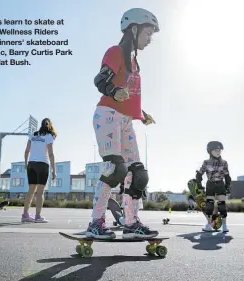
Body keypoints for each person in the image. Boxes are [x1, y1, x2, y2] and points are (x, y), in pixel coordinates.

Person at [85, 8, 160, 239]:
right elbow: (101, 80)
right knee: (115, 169)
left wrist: (141, 113)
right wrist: (113, 91)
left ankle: (131, 223)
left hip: (126, 120)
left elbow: (129, 95)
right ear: (134, 29)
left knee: (138, 175)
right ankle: (96, 223)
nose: (150, 39)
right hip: (107, 115)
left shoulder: (134, 62)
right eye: (148, 33)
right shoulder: (116, 52)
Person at [21, 118, 57, 223]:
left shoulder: (33, 135)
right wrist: (54, 169)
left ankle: (25, 215)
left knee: (31, 190)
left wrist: (25, 163)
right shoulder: (49, 136)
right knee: (40, 192)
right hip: (42, 164)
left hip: (31, 164)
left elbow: (27, 151)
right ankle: (37, 216)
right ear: (49, 126)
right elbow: (50, 153)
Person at [195, 141, 231, 233]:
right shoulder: (206, 162)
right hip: (210, 184)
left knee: (222, 205)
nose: (218, 152)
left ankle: (225, 226)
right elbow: (199, 174)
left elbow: (227, 175)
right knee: (209, 205)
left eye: (219, 150)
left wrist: (228, 186)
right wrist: (199, 184)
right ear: (210, 151)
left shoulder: (224, 162)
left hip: (220, 184)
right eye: (216, 150)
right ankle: (208, 225)